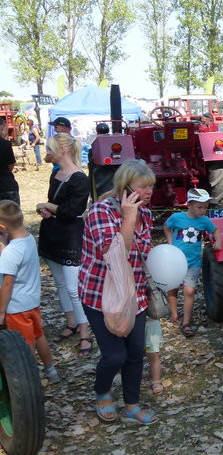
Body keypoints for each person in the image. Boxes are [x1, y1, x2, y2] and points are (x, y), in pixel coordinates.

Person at [79, 160, 157, 425]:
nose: (148, 192)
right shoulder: (100, 212)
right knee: (115, 355)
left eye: (151, 187)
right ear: (125, 187)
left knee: (135, 352)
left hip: (134, 295)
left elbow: (144, 254)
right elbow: (115, 254)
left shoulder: (145, 214)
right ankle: (102, 392)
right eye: (142, 187)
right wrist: (129, 217)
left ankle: (131, 404)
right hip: (99, 295)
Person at [36, 133, 92, 356]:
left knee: (73, 288)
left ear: (62, 150)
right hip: (53, 233)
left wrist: (47, 205)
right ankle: (72, 323)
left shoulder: (80, 178)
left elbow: (73, 210)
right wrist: (47, 209)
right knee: (60, 284)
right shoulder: (56, 173)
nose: (46, 153)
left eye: (49, 149)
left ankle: (86, 332)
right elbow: (57, 204)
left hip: (70, 236)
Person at [0, 200, 59, 383]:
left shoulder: (11, 253)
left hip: (16, 307)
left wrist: (1, 311)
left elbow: (7, 284)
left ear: (2, 226)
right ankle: (51, 371)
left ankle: (31, 380)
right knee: (38, 335)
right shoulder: (28, 239)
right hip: (32, 301)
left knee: (26, 345)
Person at [164, 188, 222, 338]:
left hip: (194, 262)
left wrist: (219, 240)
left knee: (189, 291)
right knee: (173, 288)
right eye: (200, 207)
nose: (203, 211)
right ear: (189, 204)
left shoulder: (204, 221)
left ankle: (186, 322)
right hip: (176, 260)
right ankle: (175, 314)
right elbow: (167, 226)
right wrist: (170, 242)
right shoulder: (177, 217)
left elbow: (215, 230)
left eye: (206, 207)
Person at [0, 118, 19, 205]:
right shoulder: (5, 144)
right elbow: (10, 165)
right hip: (6, 186)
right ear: (1, 127)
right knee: (12, 216)